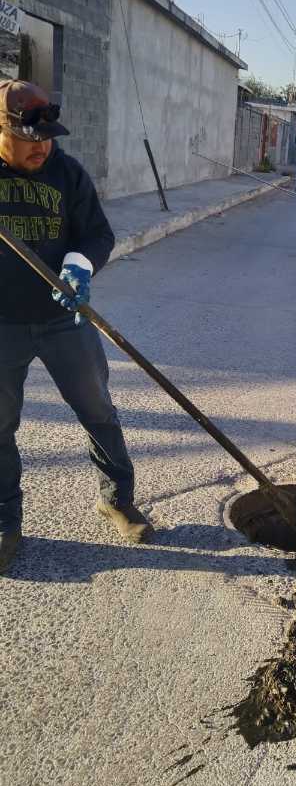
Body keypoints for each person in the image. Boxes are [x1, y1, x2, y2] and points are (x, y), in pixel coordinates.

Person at [0, 80, 154, 573]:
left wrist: (80, 265)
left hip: (64, 318)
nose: (41, 147)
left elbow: (98, 234)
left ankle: (117, 500)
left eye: (47, 137)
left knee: (98, 410)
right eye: (30, 138)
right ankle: (5, 522)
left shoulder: (67, 173)